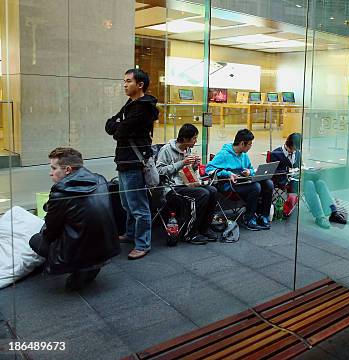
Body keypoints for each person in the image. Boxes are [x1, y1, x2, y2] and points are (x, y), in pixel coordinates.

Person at [29, 148, 120, 291]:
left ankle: (77, 268)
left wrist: (45, 236)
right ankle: (91, 265)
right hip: (107, 245)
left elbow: (51, 230)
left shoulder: (60, 192)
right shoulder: (100, 179)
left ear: (68, 170)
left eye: (54, 168)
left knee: (35, 240)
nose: (50, 173)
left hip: (76, 250)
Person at [105, 68, 159, 260]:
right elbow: (110, 124)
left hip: (134, 161)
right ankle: (130, 234)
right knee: (127, 203)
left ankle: (143, 243)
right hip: (124, 159)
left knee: (138, 205)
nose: (125, 84)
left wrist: (117, 126)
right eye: (124, 81)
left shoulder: (143, 107)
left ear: (140, 85)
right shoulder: (132, 103)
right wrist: (116, 126)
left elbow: (118, 131)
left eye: (128, 81)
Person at [156, 123, 218, 245]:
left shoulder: (187, 149)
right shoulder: (166, 150)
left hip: (187, 184)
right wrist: (182, 162)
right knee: (202, 194)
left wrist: (194, 166)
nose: (196, 141)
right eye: (194, 138)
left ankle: (204, 228)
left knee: (213, 190)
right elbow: (159, 171)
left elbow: (186, 171)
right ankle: (190, 233)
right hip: (172, 188)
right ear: (185, 139)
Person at [270, 133, 347, 229]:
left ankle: (333, 212)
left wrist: (304, 170)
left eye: (296, 149)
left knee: (320, 183)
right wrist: (290, 172)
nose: (294, 151)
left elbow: (300, 167)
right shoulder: (276, 154)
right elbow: (274, 173)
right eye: (293, 148)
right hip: (287, 181)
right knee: (309, 184)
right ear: (289, 144)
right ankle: (320, 217)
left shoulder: (297, 153)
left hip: (300, 178)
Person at [205, 129, 273, 231]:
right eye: (249, 144)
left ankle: (263, 215)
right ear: (242, 143)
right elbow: (209, 169)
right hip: (229, 184)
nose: (251, 146)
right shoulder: (224, 154)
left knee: (268, 184)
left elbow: (250, 168)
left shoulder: (244, 155)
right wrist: (227, 173)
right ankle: (248, 218)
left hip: (243, 181)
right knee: (255, 187)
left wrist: (249, 172)